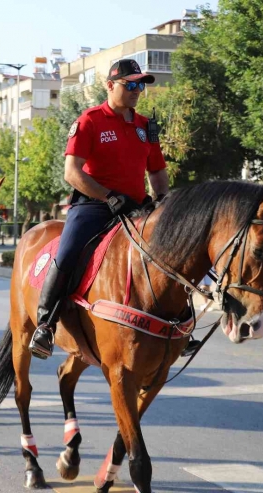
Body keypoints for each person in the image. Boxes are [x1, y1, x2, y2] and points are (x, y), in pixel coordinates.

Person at [29, 59, 170, 360]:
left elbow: (157, 172)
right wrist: (108, 196)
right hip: (94, 205)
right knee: (67, 252)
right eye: (130, 84)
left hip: (135, 208)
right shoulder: (90, 120)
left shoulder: (146, 127)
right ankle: (45, 324)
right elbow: (72, 172)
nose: (137, 91)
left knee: (172, 251)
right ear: (110, 85)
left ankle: (177, 323)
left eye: (140, 85)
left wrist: (163, 202)